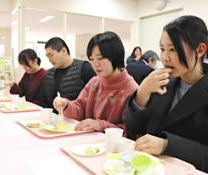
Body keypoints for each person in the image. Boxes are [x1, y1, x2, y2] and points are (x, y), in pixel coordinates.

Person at [126, 15, 208, 172]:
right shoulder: (164, 82)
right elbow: (134, 128)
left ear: (200, 50)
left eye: (173, 49)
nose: (164, 58)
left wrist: (167, 144)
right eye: (162, 49)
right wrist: (142, 93)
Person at [53, 31, 138, 132]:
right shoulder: (94, 82)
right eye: (92, 59)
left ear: (115, 56)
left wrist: (100, 125)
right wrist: (66, 105)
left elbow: (130, 133)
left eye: (100, 58)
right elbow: (79, 109)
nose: (95, 64)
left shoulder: (131, 89)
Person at [35, 37, 96, 111]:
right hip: (53, 120)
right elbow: (42, 101)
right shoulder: (48, 74)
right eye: (47, 57)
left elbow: (94, 98)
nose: (49, 60)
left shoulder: (84, 68)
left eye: (51, 55)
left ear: (64, 51)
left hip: (77, 120)